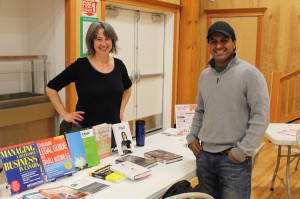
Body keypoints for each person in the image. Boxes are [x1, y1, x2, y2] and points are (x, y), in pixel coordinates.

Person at [186, 21, 270, 199]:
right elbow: (200, 110)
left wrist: (241, 152)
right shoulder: (204, 76)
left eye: (224, 40)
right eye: (213, 41)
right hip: (205, 157)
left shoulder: (250, 74)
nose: (218, 46)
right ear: (209, 44)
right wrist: (192, 137)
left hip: (233, 159)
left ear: (234, 43)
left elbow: (260, 118)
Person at [46, 21, 132, 148]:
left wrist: (121, 108)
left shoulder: (119, 65)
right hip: (86, 133)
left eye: (107, 38)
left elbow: (128, 88)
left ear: (112, 41)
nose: (103, 44)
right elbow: (51, 88)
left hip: (112, 133)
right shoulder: (81, 66)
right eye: (98, 39)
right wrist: (65, 114)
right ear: (91, 41)